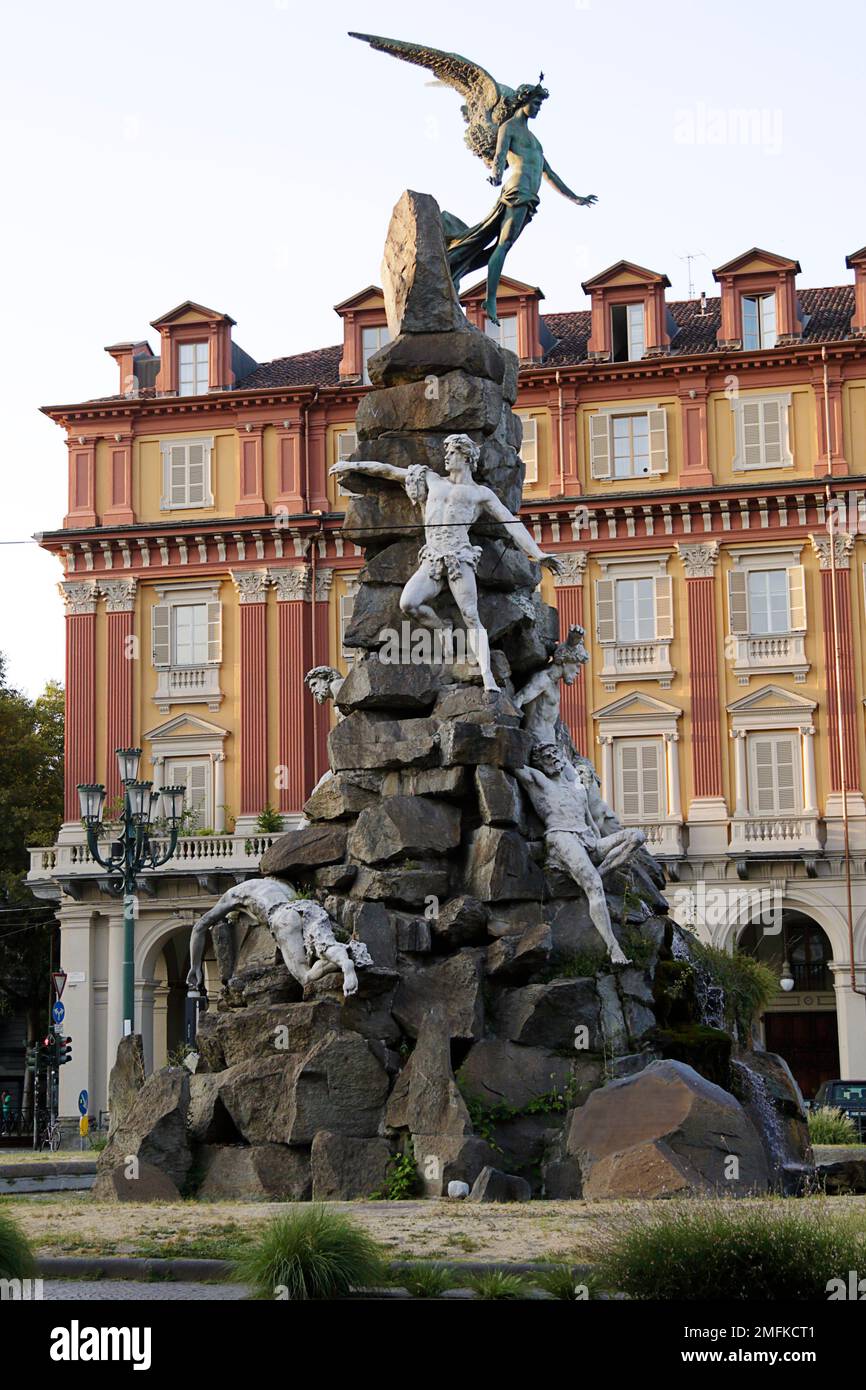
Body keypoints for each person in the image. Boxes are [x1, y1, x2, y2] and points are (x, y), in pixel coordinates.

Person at [331, 432, 562, 692]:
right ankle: (443, 627)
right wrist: (352, 466)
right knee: (408, 603)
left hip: (459, 556)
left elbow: (512, 524)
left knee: (471, 616)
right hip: (431, 557)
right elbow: (388, 471)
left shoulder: (480, 494)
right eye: (447, 452)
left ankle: (487, 676)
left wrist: (538, 553)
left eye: (451, 453)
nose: (446, 457)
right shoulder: (431, 479)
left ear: (465, 455)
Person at [515, 745, 645, 965]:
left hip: (587, 838)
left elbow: (591, 823)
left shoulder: (576, 788)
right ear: (540, 762)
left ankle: (599, 873)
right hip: (561, 836)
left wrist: (596, 840)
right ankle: (613, 948)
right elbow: (514, 766)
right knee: (593, 885)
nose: (555, 760)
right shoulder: (538, 780)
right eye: (548, 757)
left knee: (637, 836)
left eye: (556, 755)